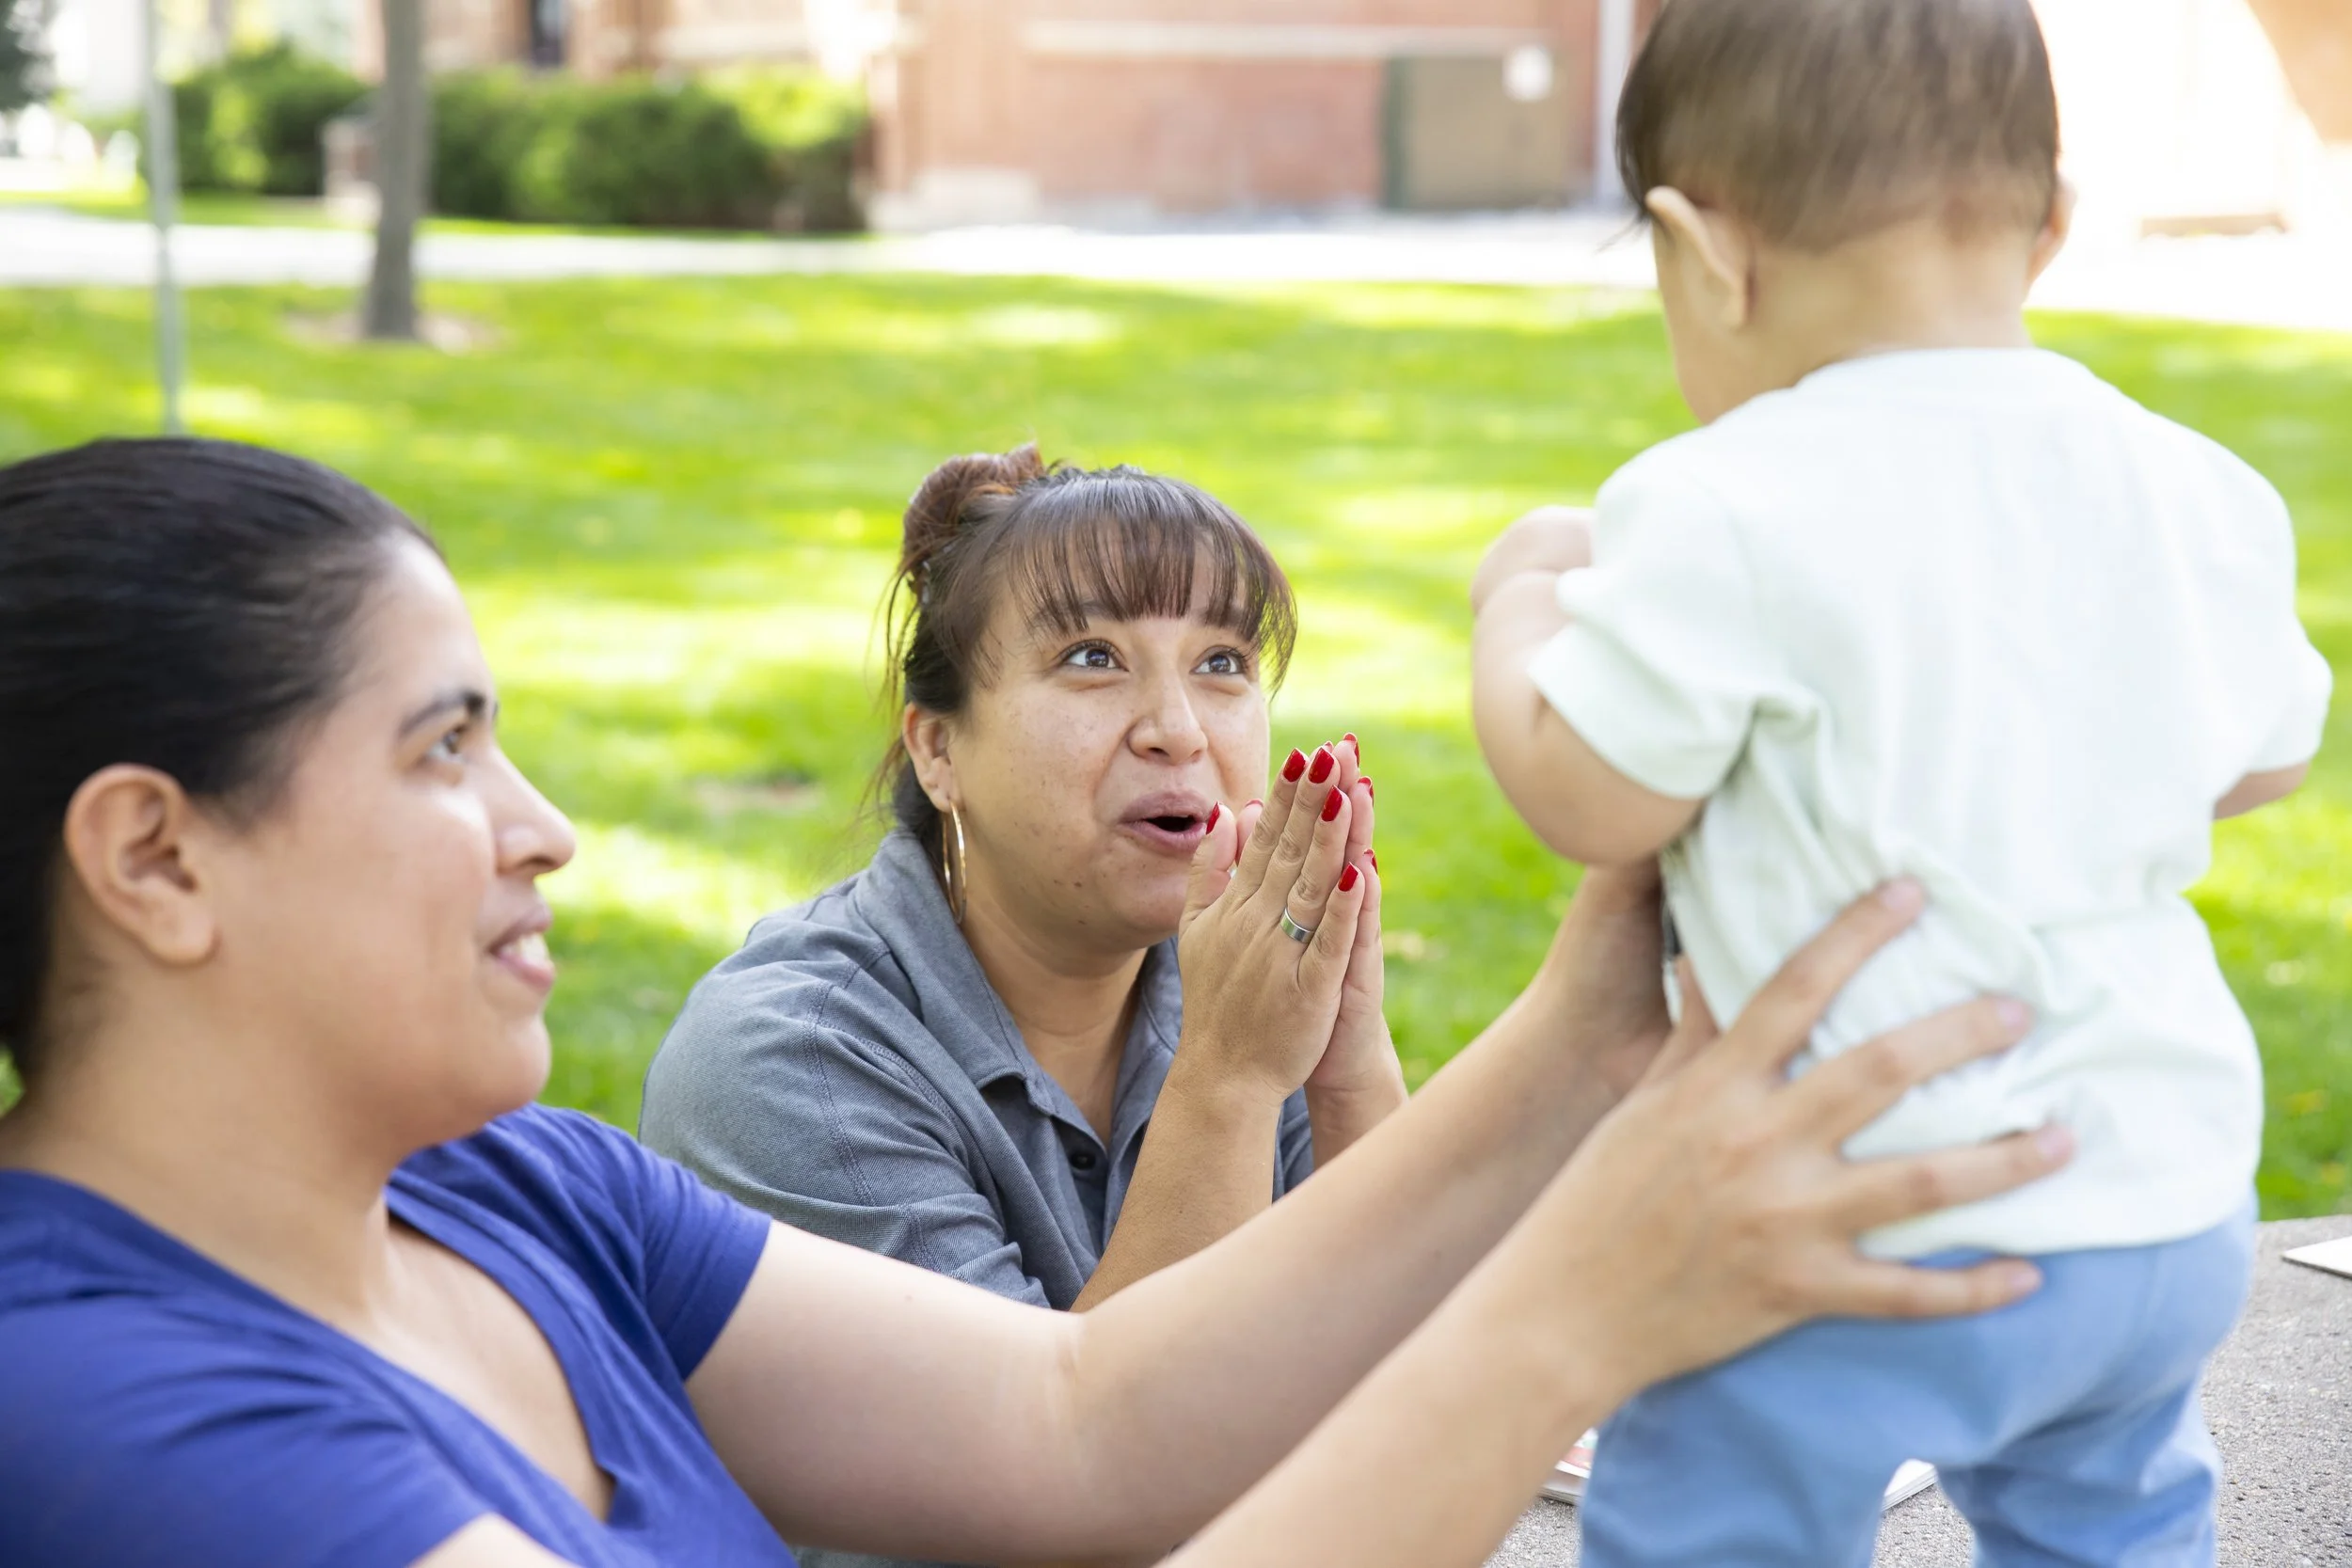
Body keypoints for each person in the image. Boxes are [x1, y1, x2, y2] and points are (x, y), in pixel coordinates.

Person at [0, 436, 2072, 1568]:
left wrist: (1603, 1002)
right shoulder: (107, 1415)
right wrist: (1574, 1308)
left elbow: (1082, 1433)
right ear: (156, 857)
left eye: (1222, 664)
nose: (544, 827)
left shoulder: (518, 1194)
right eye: (445, 750)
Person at [1470, 2, 2333, 1563]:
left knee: (1715, 1522)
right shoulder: (2194, 485)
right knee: (2115, 1527)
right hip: (2153, 1205)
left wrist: (1519, 598)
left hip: (1844, 1232)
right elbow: (2266, 753)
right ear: (2053, 225)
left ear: (1699, 251)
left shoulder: (1720, 504)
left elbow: (1592, 795)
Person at [640, 451, 1400, 1399]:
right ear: (937, 749)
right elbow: (1080, 1483)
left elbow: (1422, 1393)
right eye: (1092, 658)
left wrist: (1348, 1061)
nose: (1178, 727)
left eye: (1221, 663)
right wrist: (1229, 1079)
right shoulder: (787, 1063)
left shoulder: (1228, 979)